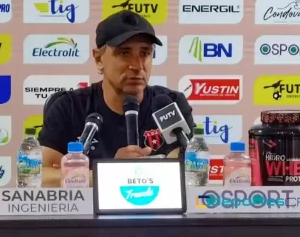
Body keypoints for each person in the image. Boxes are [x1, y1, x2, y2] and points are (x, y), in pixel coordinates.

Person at [39, 10, 195, 187]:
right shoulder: (70, 107)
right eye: (124, 53)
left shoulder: (169, 105)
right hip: (86, 214)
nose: (137, 65)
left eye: (145, 53)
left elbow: (188, 172)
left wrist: (79, 175)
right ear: (98, 59)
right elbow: (38, 177)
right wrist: (110, 173)